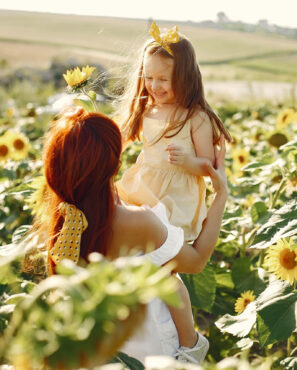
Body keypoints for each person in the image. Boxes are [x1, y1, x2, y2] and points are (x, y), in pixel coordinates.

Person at [40, 108, 228, 363]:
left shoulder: (62, 217)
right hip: (149, 352)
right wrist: (220, 194)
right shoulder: (137, 222)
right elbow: (195, 261)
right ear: (115, 164)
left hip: (95, 353)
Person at [115, 21, 231, 360]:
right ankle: (141, 331)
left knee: (166, 268)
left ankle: (189, 343)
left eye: (163, 79)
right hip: (141, 188)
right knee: (137, 258)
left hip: (175, 197)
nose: (154, 85)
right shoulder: (147, 109)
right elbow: (127, 141)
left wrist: (188, 163)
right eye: (149, 78)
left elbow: (210, 169)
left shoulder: (195, 117)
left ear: (185, 76)